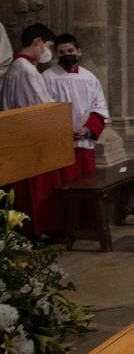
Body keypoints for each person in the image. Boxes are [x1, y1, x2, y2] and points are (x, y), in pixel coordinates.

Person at [1, 23, 64, 235]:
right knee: (36, 191)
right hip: (32, 137)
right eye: (47, 46)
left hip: (25, 135)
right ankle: (39, 231)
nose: (47, 53)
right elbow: (39, 105)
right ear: (37, 42)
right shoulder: (25, 70)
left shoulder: (22, 67)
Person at [44, 34, 109, 182]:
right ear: (56, 54)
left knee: (85, 184)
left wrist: (87, 130)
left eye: (70, 51)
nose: (67, 55)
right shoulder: (47, 78)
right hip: (60, 142)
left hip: (84, 142)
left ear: (78, 52)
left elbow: (99, 109)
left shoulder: (90, 78)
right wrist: (64, 130)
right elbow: (45, 111)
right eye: (62, 52)